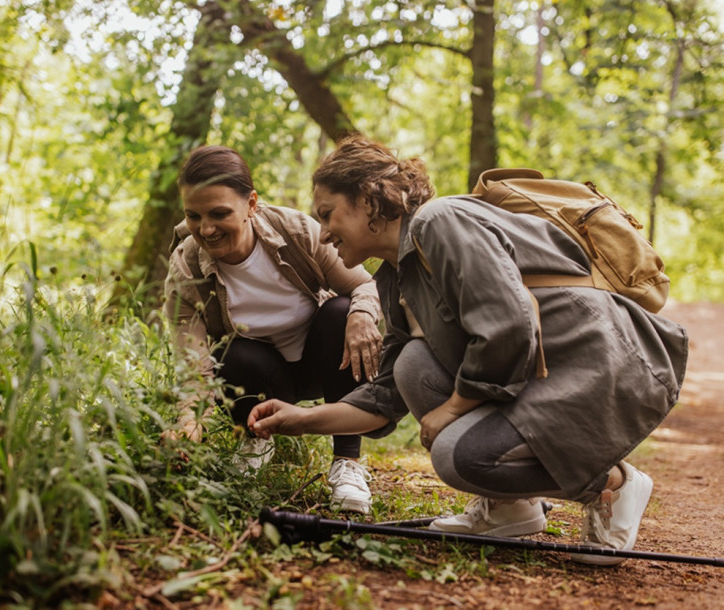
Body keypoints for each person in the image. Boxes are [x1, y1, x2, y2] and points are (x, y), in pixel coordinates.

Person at [247, 134, 688, 565]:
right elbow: (384, 399)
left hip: (607, 361)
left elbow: (510, 326)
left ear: (368, 200)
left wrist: (454, 408)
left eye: (328, 215)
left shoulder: (438, 222)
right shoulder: (394, 279)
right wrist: (302, 420)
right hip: (548, 372)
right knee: (413, 367)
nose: (323, 234)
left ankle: (613, 484)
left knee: (459, 455)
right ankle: (510, 508)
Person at [163, 145, 383, 514]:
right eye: (194, 216)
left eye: (219, 214)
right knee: (230, 351)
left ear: (251, 204)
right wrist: (189, 417)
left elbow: (365, 285)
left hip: (321, 365)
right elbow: (193, 361)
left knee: (340, 311)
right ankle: (255, 441)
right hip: (258, 377)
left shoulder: (296, 231)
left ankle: (347, 462)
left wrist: (362, 316)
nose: (206, 229)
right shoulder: (187, 267)